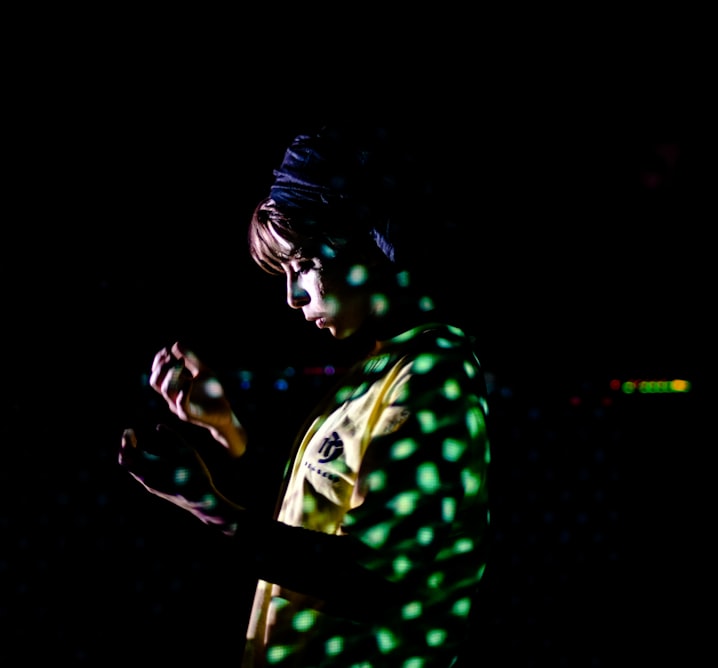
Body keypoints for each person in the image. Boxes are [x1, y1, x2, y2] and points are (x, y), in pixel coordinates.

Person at [119, 125, 492, 667]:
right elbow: (306, 522)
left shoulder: (435, 373)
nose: (294, 297)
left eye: (305, 265)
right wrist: (223, 424)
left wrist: (207, 505)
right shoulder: (375, 369)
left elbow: (369, 578)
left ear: (364, 239)